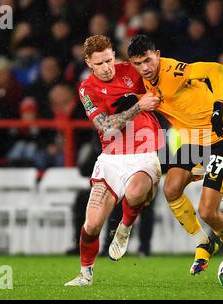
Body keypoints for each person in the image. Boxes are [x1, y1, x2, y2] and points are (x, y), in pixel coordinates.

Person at [127, 35, 223, 275]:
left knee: (208, 211)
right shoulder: (141, 81)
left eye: (147, 60)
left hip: (220, 140)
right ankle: (204, 243)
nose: (144, 68)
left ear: (158, 55)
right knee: (171, 189)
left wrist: (218, 106)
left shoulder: (173, 70)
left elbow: (215, 69)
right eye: (137, 63)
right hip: (193, 145)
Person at [65, 35, 162, 286]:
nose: (107, 67)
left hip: (143, 151)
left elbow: (162, 76)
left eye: (110, 60)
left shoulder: (132, 70)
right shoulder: (87, 88)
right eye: (100, 64)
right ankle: (85, 274)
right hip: (111, 158)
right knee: (93, 224)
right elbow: (105, 126)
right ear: (88, 62)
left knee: (136, 190)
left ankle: (125, 227)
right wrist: (139, 107)